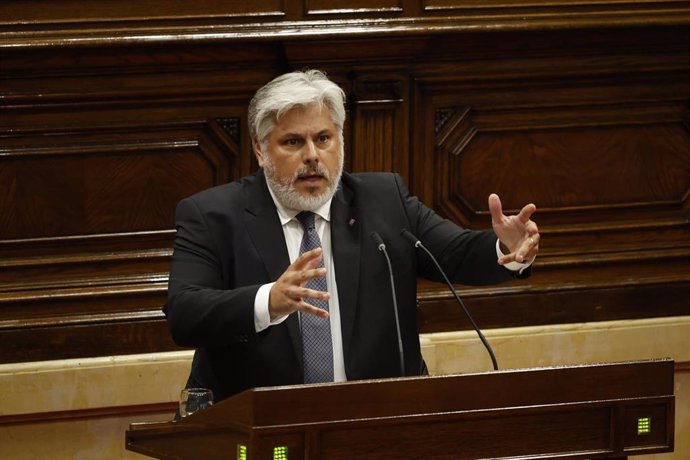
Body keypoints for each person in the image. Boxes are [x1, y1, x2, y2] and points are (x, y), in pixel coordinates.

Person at [164, 70, 540, 404]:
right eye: (293, 142)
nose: (312, 155)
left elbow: (455, 253)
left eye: (324, 138)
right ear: (260, 151)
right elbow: (184, 314)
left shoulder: (384, 200)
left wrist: (506, 247)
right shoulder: (213, 215)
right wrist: (268, 302)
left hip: (373, 423)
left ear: (341, 141)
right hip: (262, 431)